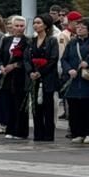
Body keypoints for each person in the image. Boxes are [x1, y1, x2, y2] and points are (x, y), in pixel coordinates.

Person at [61, 17, 89, 145]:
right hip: (74, 81)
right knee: (75, 109)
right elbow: (64, 59)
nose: (79, 29)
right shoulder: (72, 43)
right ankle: (77, 132)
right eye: (78, 27)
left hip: (88, 80)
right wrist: (69, 70)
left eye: (83, 27)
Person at [0, 16, 30, 140]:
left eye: (21, 26)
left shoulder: (28, 41)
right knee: (9, 103)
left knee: (20, 104)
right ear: (12, 27)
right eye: (17, 26)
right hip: (7, 77)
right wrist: (1, 67)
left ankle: (20, 131)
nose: (19, 28)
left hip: (20, 77)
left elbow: (28, 60)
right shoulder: (6, 40)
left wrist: (15, 65)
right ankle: (9, 129)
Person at [26, 14, 59, 143]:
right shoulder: (31, 41)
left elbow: (53, 59)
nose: (36, 25)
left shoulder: (52, 40)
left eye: (39, 23)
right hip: (34, 77)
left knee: (48, 105)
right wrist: (31, 71)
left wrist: (41, 72)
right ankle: (38, 133)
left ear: (45, 25)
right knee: (35, 106)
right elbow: (27, 58)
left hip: (47, 77)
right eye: (34, 23)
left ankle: (48, 134)